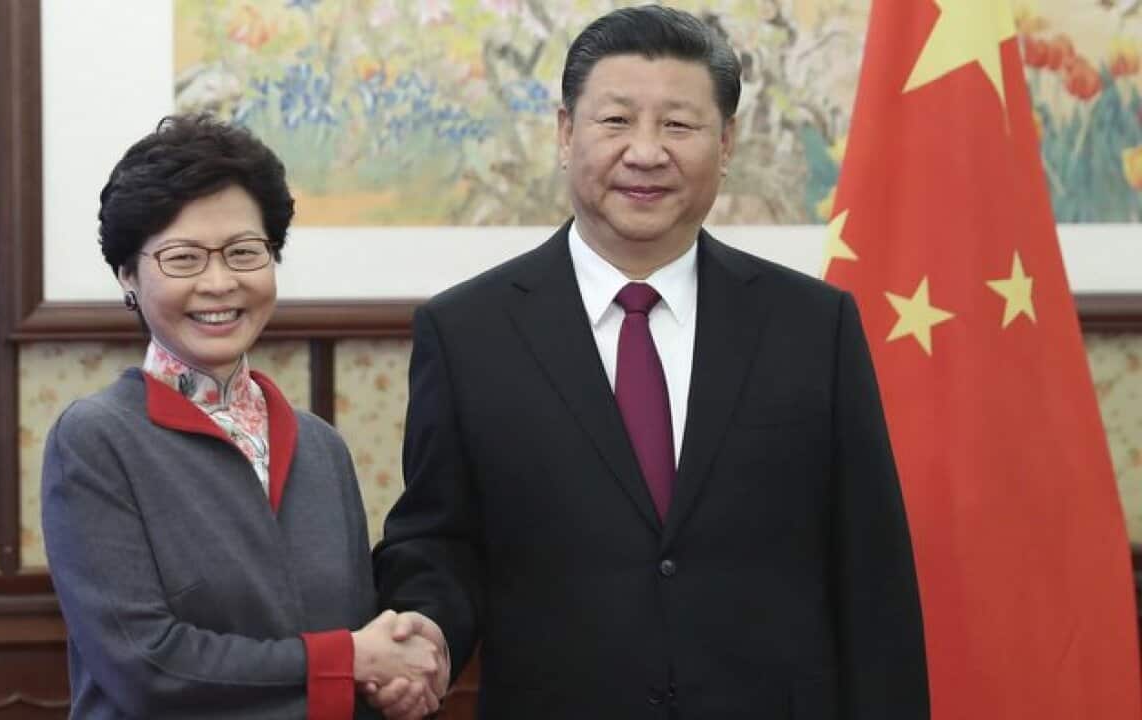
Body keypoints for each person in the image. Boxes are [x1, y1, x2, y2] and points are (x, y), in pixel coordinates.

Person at [369, 6, 929, 719]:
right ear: (566, 133)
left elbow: (871, 573)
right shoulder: (466, 331)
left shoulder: (814, 327)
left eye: (678, 125)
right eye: (616, 121)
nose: (645, 152)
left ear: (725, 143)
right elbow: (438, 540)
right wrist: (428, 634)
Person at [42, 115, 447, 719]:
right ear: (128, 275)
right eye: (183, 258)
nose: (219, 282)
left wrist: (397, 671)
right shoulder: (95, 440)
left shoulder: (320, 447)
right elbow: (147, 666)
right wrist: (352, 661)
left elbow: (357, 648)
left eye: (243, 252)